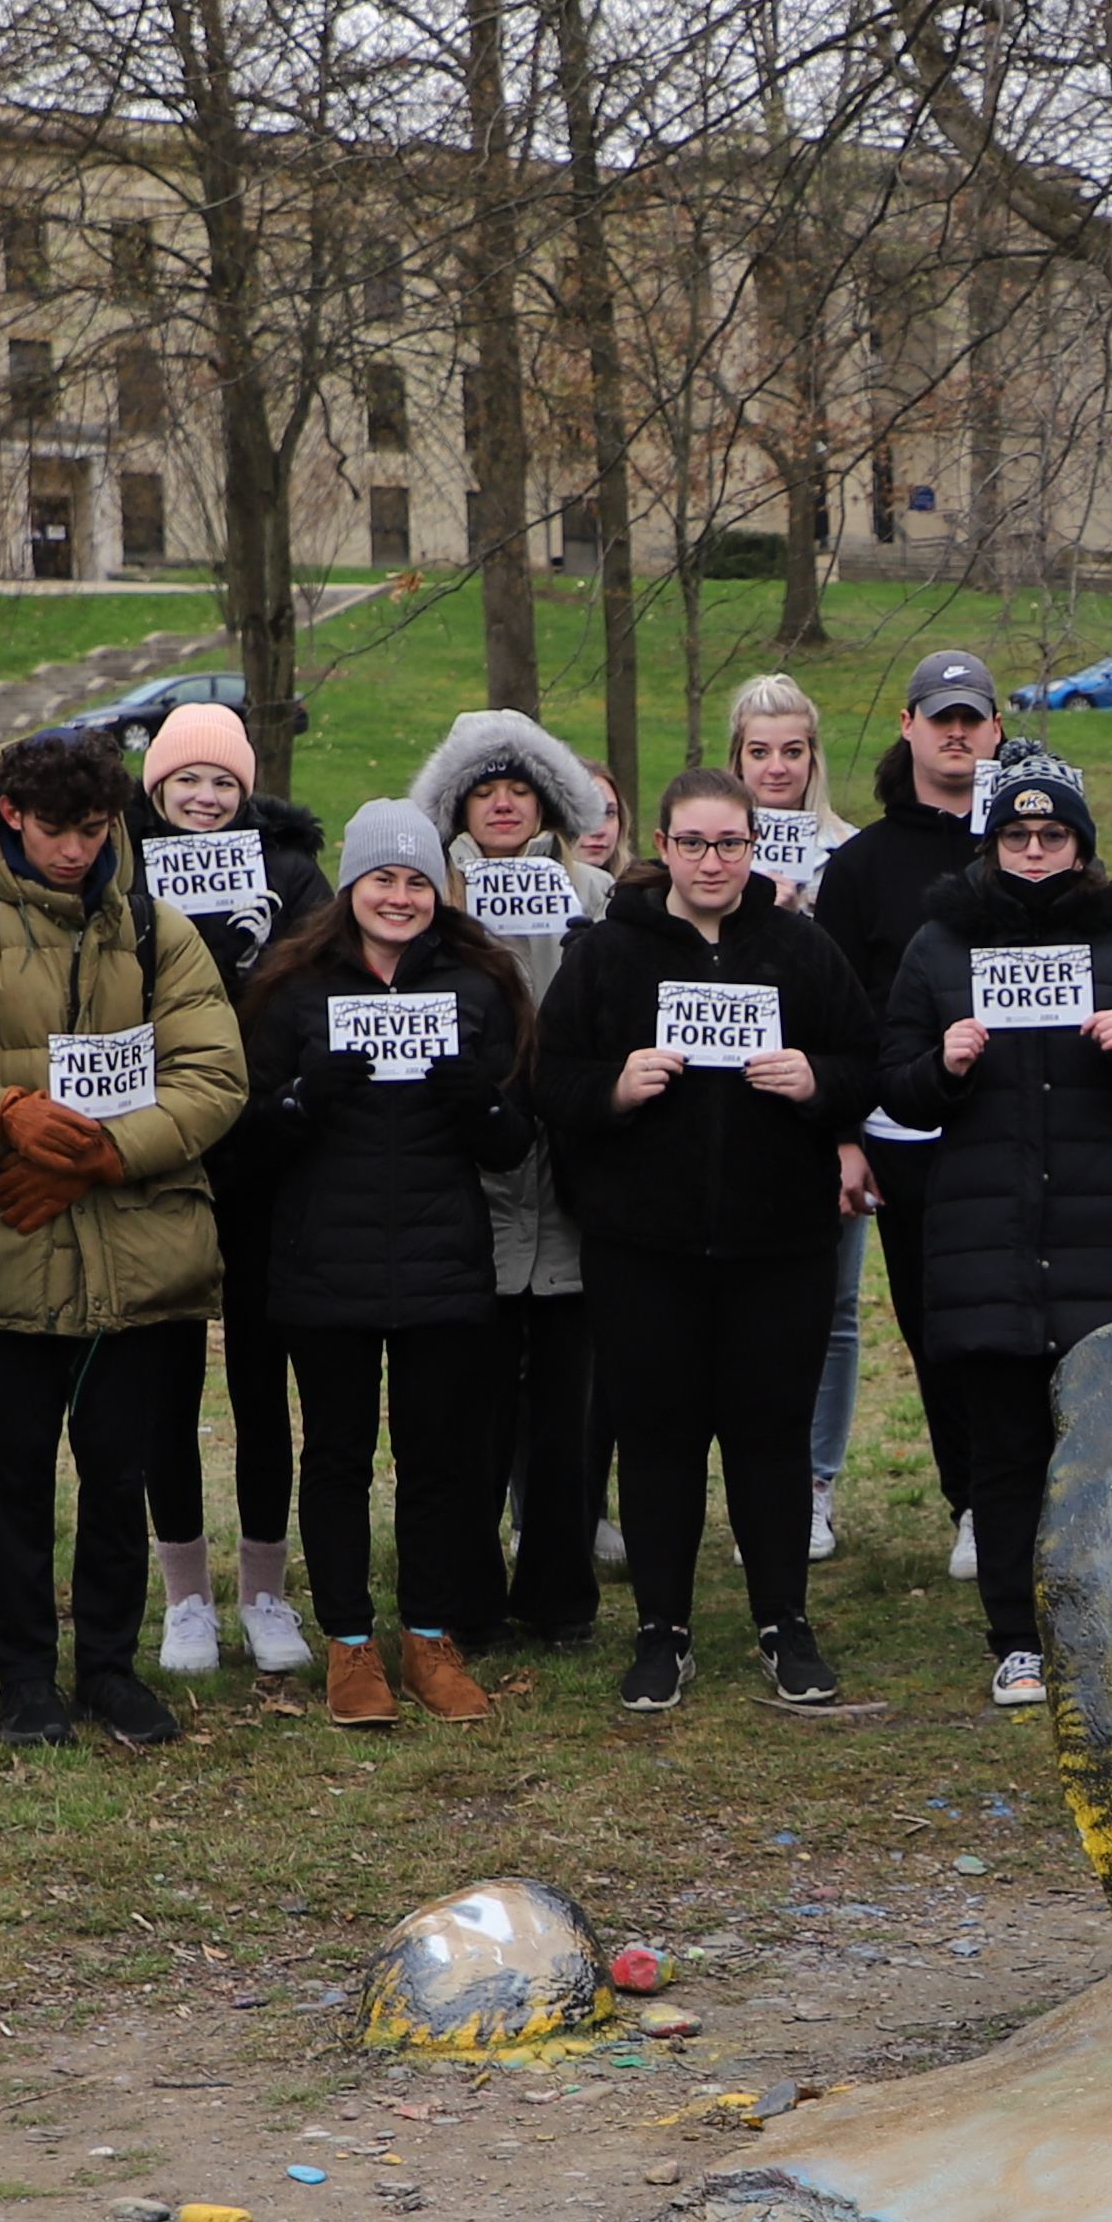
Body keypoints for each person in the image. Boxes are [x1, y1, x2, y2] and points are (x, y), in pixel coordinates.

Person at [0, 723, 248, 1747]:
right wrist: (5, 1115)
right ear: (10, 815)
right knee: (15, 1478)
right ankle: (24, 1679)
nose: (76, 848)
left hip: (135, 1248)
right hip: (5, 1249)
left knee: (118, 1471)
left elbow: (214, 1074)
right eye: (54, 828)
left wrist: (108, 1153)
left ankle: (112, 1667)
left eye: (95, 828)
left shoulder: (158, 930)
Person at [546, 767, 877, 1712]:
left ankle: (786, 1625)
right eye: (692, 844)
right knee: (657, 1439)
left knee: (770, 1436)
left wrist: (815, 1081)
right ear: (663, 847)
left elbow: (866, 1065)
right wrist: (616, 1088)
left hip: (780, 1245)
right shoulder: (610, 952)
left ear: (754, 848)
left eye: (730, 843)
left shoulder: (800, 948)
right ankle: (663, 1633)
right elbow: (552, 1081)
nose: (712, 862)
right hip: (641, 1245)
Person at [873, 752, 1112, 1709]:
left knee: (1103, 1448)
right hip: (985, 1238)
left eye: (1053, 836)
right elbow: (895, 1086)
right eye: (1017, 836)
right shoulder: (939, 947)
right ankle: (1017, 1636)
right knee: (1006, 1448)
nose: (1036, 851)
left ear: (1082, 847)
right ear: (991, 844)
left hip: (1101, 1237)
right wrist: (945, 1063)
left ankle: (1108, 1626)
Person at [238, 801, 529, 1727]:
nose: (399, 897)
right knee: (336, 1456)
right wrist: (296, 1101)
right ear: (352, 887)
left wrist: (479, 1104)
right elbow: (243, 1141)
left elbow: (513, 1144)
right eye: (381, 879)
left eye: (416, 881)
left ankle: (431, 1641)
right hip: (326, 1265)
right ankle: (351, 1645)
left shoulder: (479, 986)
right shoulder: (291, 989)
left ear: (439, 891)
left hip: (443, 1261)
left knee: (439, 1460)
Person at [129, 703, 329, 1684]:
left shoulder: (291, 876)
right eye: (185, 781)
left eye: (222, 781)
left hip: (270, 1158)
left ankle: (264, 1587)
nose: (204, 798)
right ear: (156, 788)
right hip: (165, 1157)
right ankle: (186, 1598)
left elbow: (326, 989)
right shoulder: (123, 870)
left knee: (261, 1380)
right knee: (166, 1381)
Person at [411, 710, 616, 1662]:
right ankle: (468, 1599)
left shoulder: (600, 898)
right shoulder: (425, 906)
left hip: (573, 1200)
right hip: (468, 1207)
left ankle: (562, 1596)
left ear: (547, 802)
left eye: (520, 788)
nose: (501, 802)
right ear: (457, 804)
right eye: (484, 789)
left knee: (571, 1418)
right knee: (472, 1416)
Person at [825, 651, 1006, 1577]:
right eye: (941, 717)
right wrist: (847, 1136)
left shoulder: (1029, 844)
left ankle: (1027, 1493)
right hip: (906, 1137)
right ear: (908, 727)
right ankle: (971, 1499)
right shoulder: (860, 865)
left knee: (1019, 1322)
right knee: (937, 1326)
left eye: (973, 717)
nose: (957, 733)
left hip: (1016, 1124)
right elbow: (839, 1009)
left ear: (997, 730)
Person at [717, 669, 872, 1569]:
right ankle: (754, 1482)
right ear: (736, 756)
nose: (776, 768)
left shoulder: (848, 853)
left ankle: (814, 1483)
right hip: (728, 1116)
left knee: (835, 1308)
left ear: (814, 756)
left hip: (823, 1110)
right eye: (758, 751)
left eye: (792, 750)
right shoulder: (709, 854)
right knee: (746, 1310)